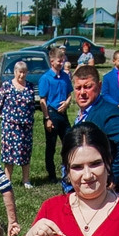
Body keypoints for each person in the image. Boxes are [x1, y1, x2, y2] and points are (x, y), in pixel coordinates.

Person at [70, 63, 119, 190]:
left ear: (100, 86)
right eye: (78, 88)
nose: (82, 93)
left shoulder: (107, 112)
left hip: (100, 190)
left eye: (88, 87)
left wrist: (114, 176)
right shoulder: (85, 111)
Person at [0, 59, 38, 188]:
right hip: (10, 126)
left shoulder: (30, 86)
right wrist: (6, 118)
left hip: (26, 126)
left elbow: (33, 105)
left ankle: (26, 180)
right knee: (9, 153)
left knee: (25, 152)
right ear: (15, 72)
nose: (22, 75)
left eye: (25, 72)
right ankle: (7, 180)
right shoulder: (6, 86)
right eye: (20, 72)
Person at [38, 48, 74, 182]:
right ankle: (51, 174)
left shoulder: (65, 76)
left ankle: (68, 171)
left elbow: (70, 94)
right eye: (59, 61)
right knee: (51, 146)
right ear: (52, 61)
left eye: (63, 60)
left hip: (63, 114)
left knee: (69, 143)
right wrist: (47, 118)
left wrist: (67, 103)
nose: (62, 63)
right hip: (52, 114)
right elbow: (43, 100)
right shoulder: (46, 78)